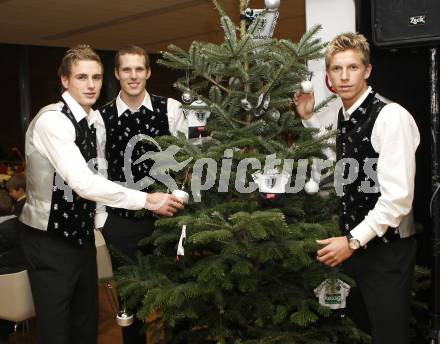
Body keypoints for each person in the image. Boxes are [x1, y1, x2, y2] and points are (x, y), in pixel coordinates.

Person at [19, 44, 184, 344]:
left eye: (95, 77)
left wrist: (98, 220)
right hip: (48, 238)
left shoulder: (95, 121)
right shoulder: (52, 120)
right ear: (65, 80)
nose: (91, 84)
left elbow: (100, 173)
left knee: (86, 324)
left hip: (81, 237)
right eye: (82, 77)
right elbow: (84, 182)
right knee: (56, 331)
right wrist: (146, 200)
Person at [294, 32, 420, 344]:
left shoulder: (391, 116)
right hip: (356, 250)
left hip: (387, 253)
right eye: (337, 69)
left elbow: (398, 200)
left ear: (367, 71)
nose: (345, 76)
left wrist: (350, 242)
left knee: (388, 336)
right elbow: (340, 167)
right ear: (328, 77)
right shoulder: (344, 115)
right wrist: (309, 119)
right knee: (359, 333)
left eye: (352, 67)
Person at [99, 45, 187, 344]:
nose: (133, 76)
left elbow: (191, 158)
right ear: (117, 74)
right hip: (122, 223)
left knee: (176, 297)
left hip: (169, 220)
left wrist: (180, 197)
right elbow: (97, 173)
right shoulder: (101, 118)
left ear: (148, 72)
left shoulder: (171, 109)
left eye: (139, 69)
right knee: (132, 301)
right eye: (126, 69)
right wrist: (104, 222)